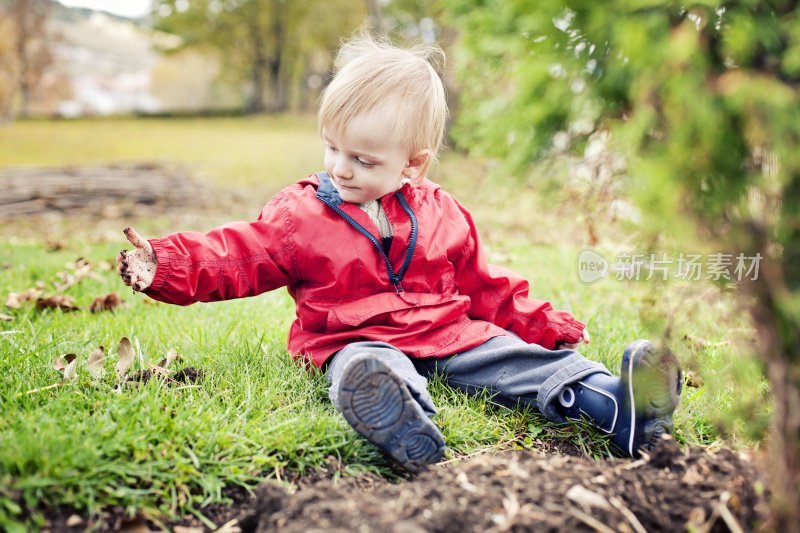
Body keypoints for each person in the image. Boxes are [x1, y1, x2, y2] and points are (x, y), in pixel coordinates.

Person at [116, 35, 682, 473]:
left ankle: (615, 402)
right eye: (332, 148)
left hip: (447, 332)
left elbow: (487, 287)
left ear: (413, 164)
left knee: (513, 359)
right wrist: (166, 265)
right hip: (353, 337)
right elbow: (240, 255)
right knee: (366, 369)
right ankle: (398, 419)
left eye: (362, 159)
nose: (340, 168)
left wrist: (544, 326)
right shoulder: (300, 214)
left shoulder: (443, 212)